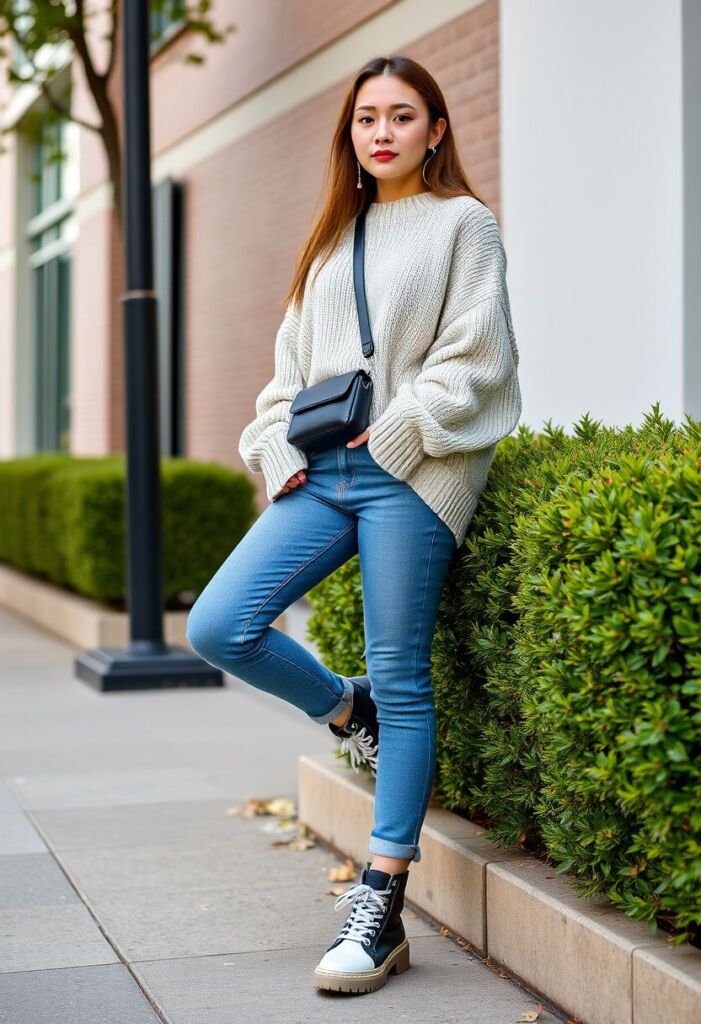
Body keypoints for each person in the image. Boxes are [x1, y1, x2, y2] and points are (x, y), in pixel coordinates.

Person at [186, 53, 522, 996]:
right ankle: (348, 706)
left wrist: (409, 428)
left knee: (405, 672)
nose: (382, 132)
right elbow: (284, 377)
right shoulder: (332, 238)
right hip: (322, 475)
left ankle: (379, 905)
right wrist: (275, 449)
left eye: (402, 116)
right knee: (219, 625)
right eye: (367, 118)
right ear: (352, 136)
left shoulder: (465, 224)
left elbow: (479, 356)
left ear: (435, 130)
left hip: (409, 472)